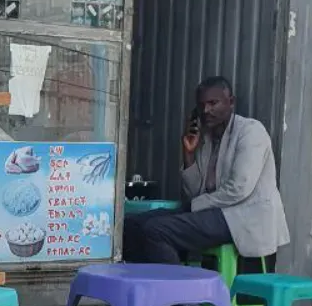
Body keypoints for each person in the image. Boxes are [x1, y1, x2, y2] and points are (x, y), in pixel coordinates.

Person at [124, 75, 289, 269]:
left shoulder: (251, 132)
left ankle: (179, 288)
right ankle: (150, 283)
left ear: (231, 102)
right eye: (201, 105)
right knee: (131, 226)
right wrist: (189, 154)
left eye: (213, 103)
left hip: (242, 216)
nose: (206, 111)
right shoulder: (206, 138)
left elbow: (238, 189)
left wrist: (196, 205)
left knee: (156, 230)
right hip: (212, 211)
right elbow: (195, 192)